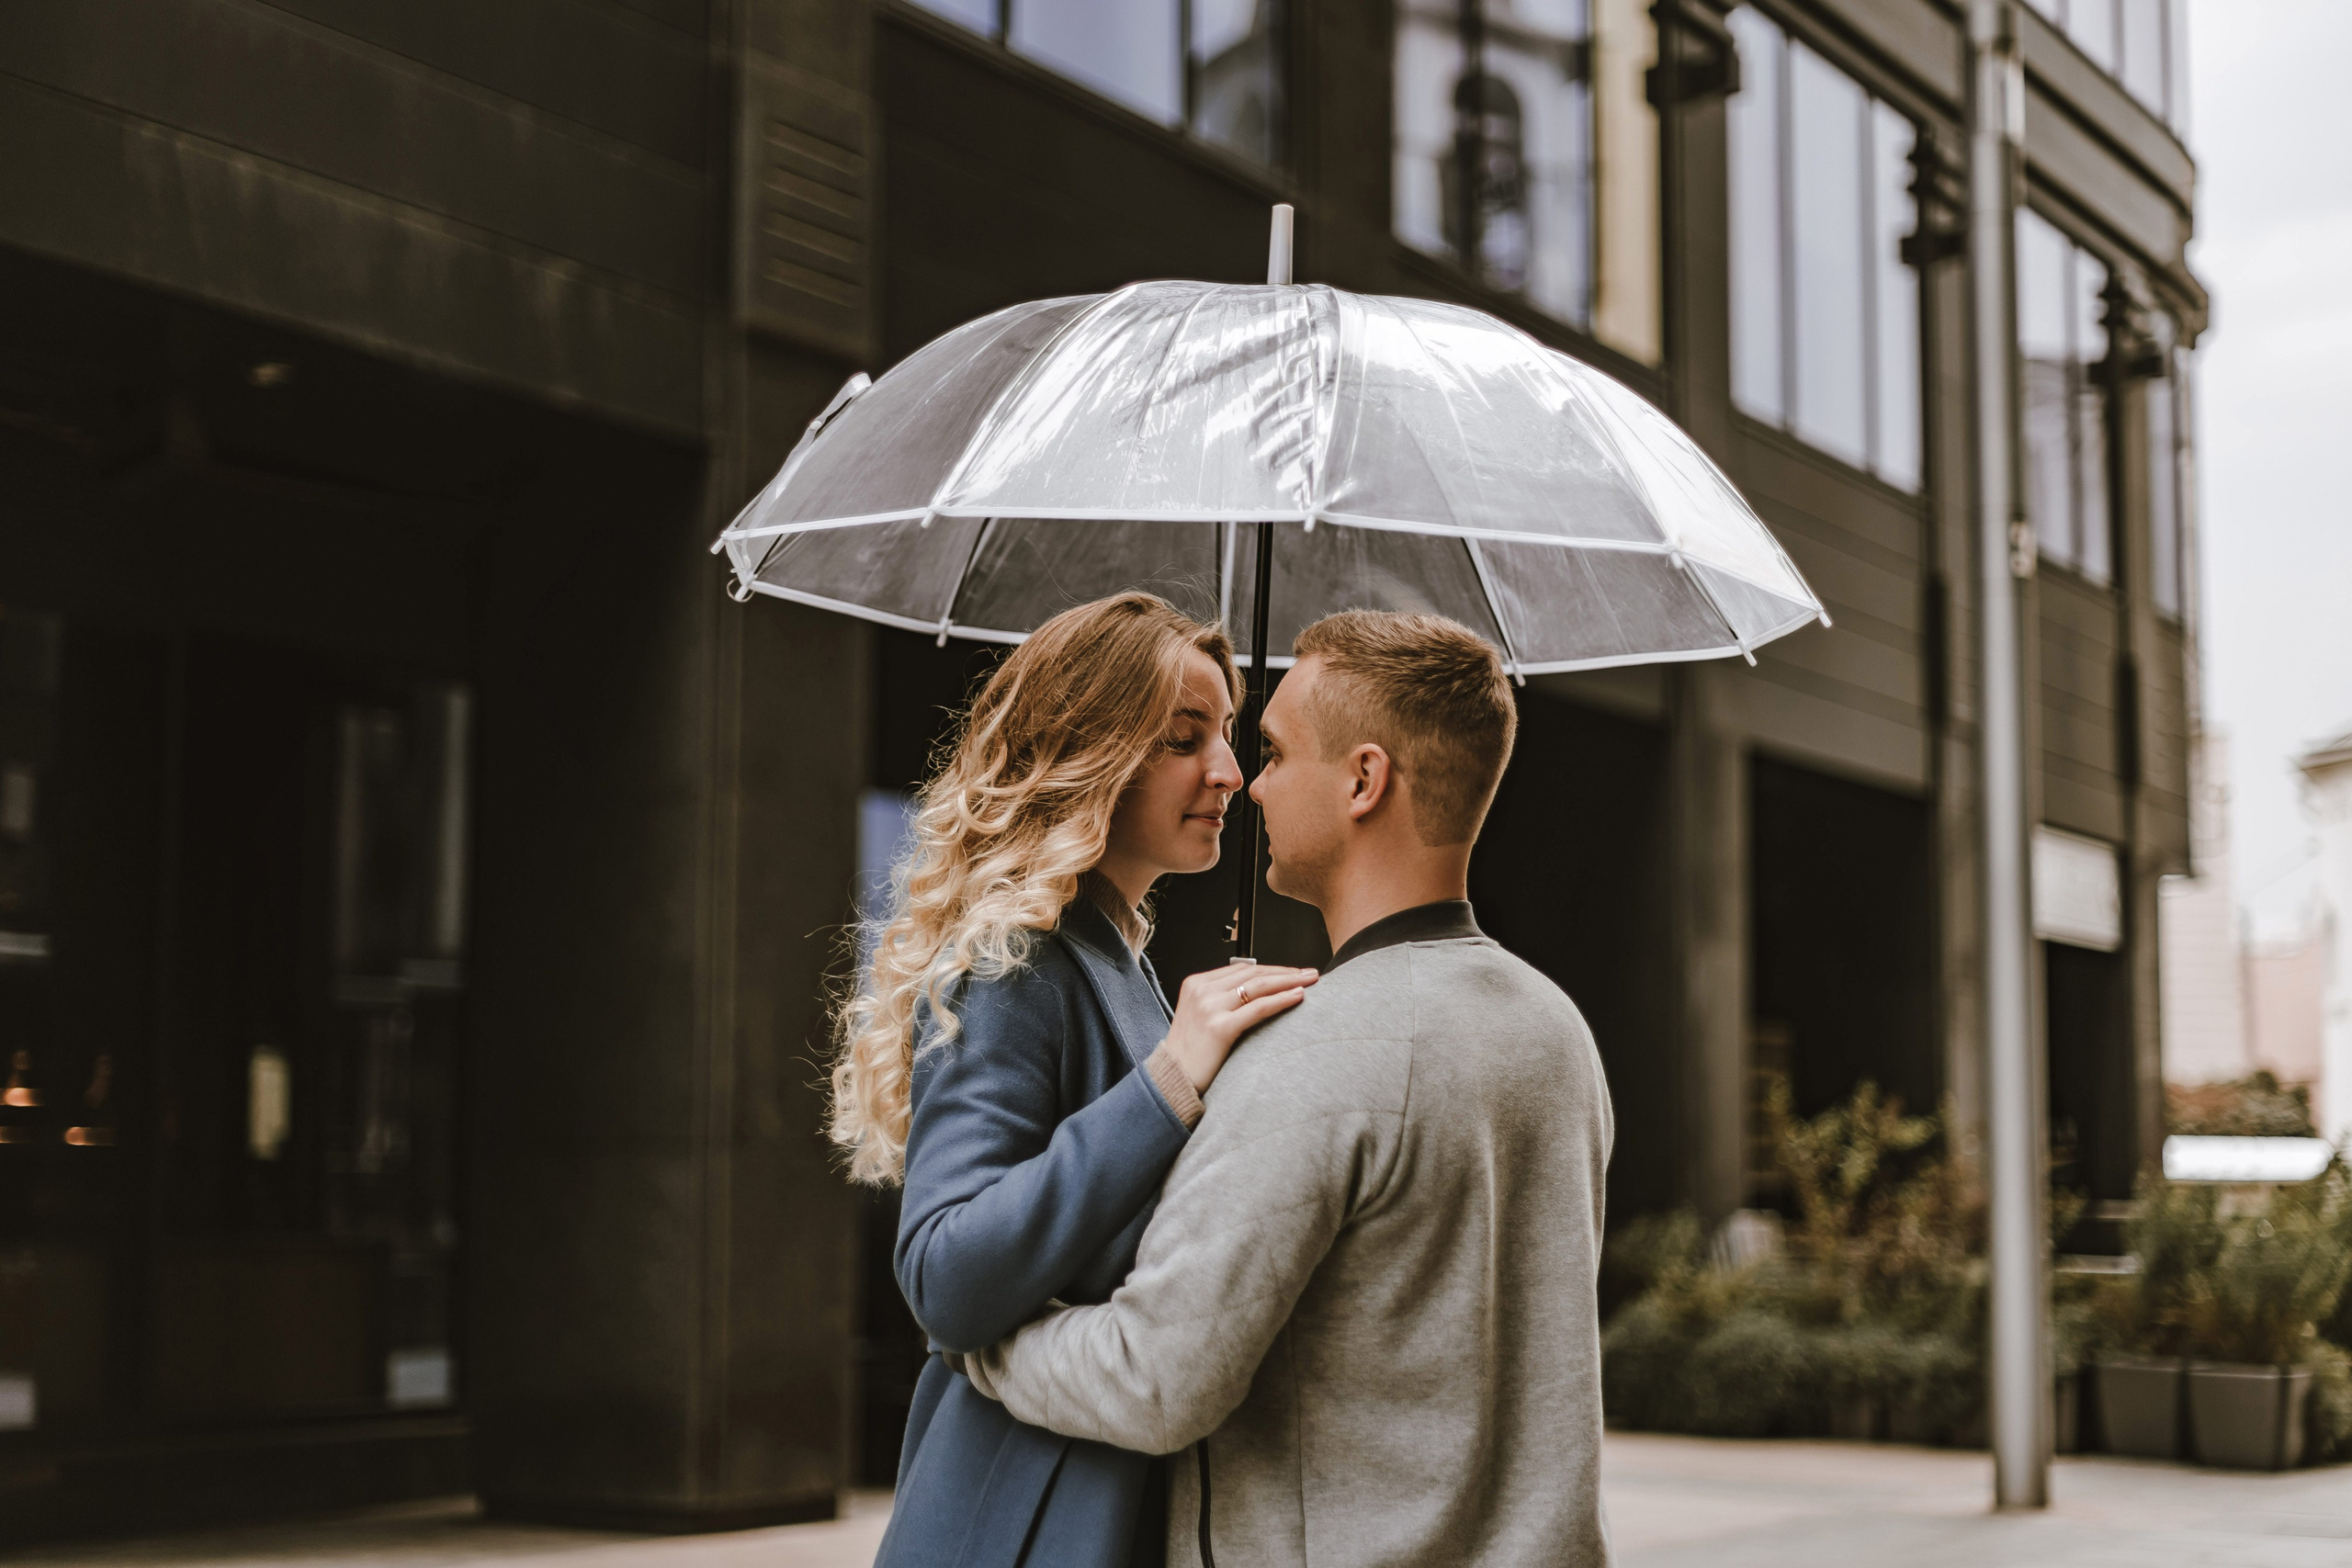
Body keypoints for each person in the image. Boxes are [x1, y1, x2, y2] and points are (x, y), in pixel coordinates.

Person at [964, 609, 1616, 1567]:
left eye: (1270, 750)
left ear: (1363, 780)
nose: (1248, 783)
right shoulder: (1554, 1026)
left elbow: (1155, 1380)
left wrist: (985, 1343)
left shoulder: (1310, 1052)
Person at [842, 592, 1321, 1568]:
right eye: (1183, 739)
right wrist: (1170, 1081)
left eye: (1226, 734)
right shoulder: (1017, 963)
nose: (1227, 772)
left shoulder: (1118, 958)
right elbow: (944, 1273)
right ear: (1088, 753)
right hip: (1025, 1512)